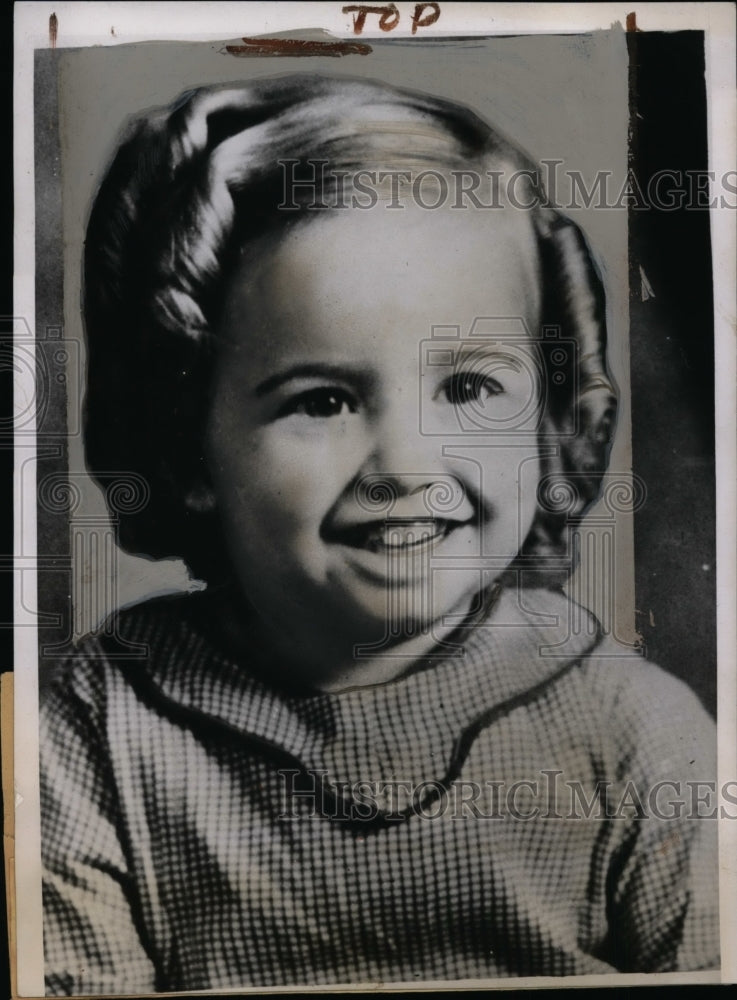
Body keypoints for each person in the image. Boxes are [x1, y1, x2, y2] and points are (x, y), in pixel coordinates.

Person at [40, 75, 719, 994]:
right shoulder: (90, 731)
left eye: (469, 389)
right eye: (321, 400)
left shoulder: (636, 732)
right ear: (188, 448)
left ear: (547, 416)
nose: (406, 463)